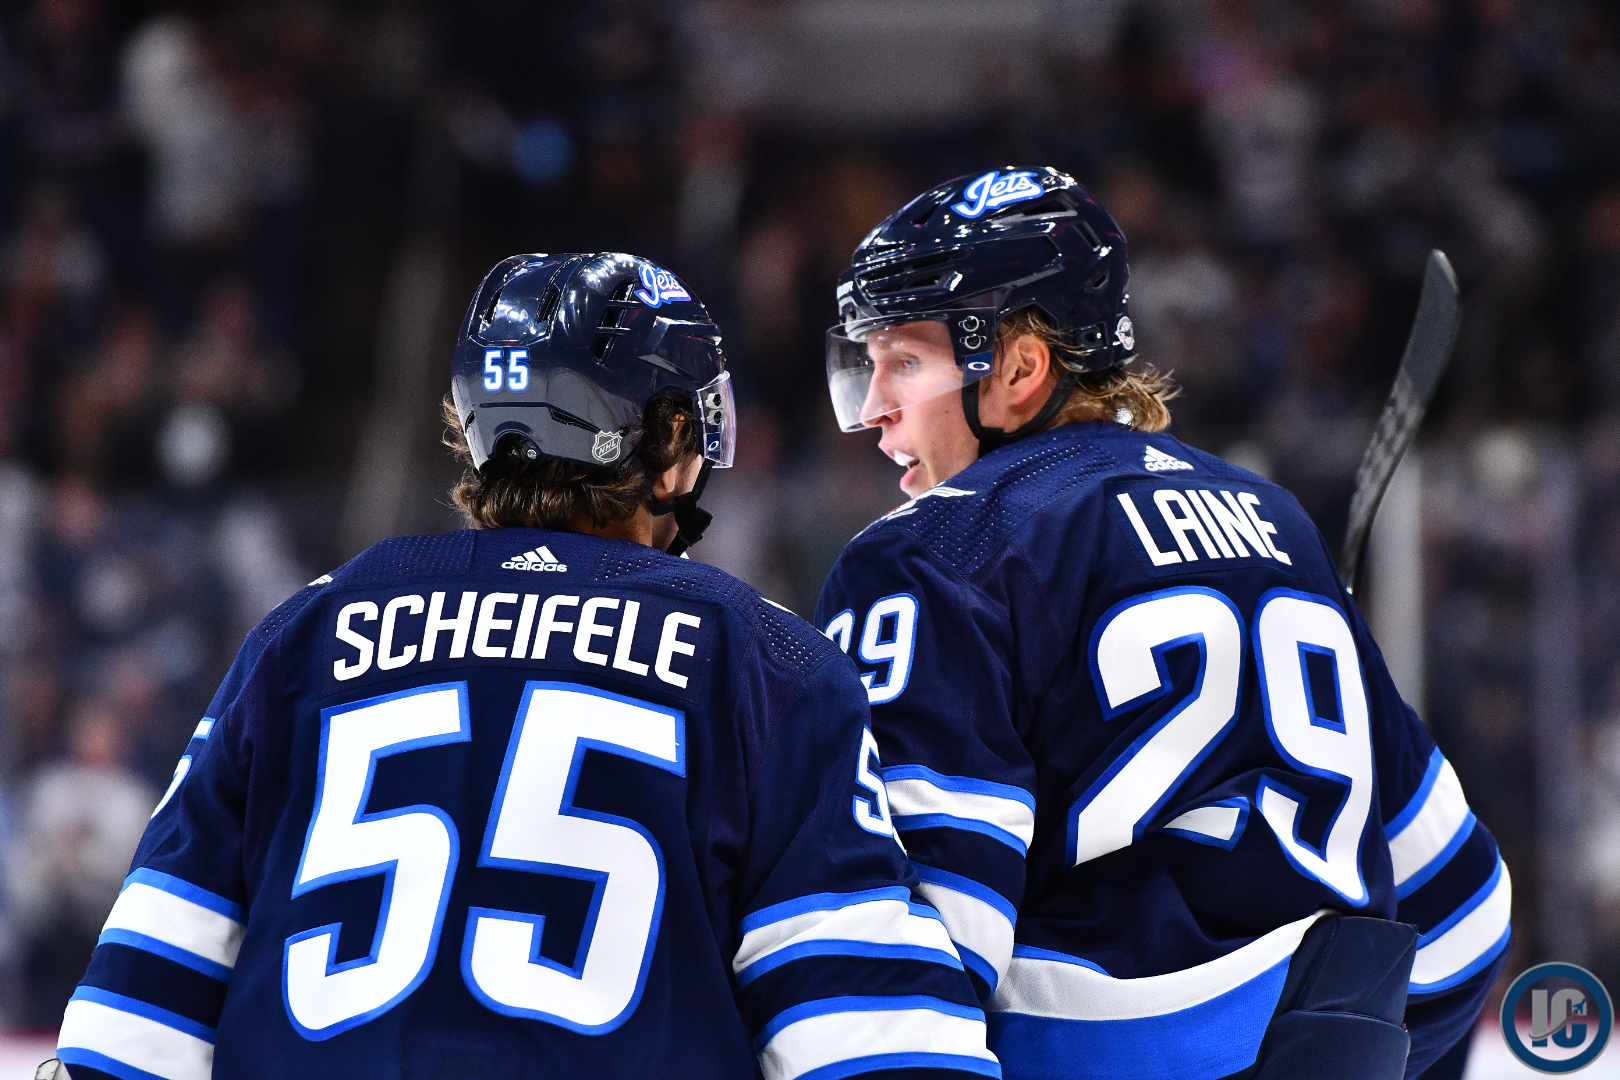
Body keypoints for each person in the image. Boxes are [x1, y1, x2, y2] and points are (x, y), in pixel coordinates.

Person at [47, 253, 997, 1080]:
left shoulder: (309, 627)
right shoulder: (766, 658)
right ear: (669, 442)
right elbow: (872, 1036)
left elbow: (142, 998)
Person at [814, 168, 1510, 1080]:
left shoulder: (926, 552)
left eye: (904, 361)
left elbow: (911, 960)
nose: (874, 409)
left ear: (1021, 367)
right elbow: (1466, 909)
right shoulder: (1275, 524)